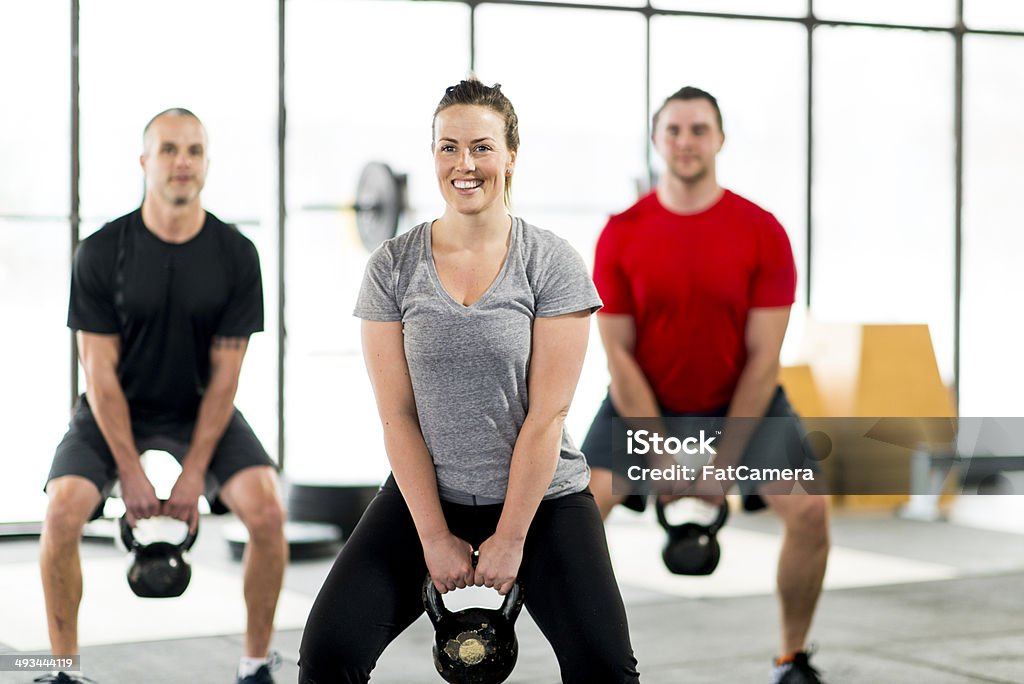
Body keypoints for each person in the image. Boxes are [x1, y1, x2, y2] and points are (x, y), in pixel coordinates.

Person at [297, 79, 640, 684]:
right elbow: (396, 416)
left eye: (481, 147)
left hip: (544, 501)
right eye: (447, 147)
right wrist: (433, 535)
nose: (465, 164)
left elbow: (548, 416)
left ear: (511, 155)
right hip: (427, 496)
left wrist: (511, 539)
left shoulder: (550, 262)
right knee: (328, 655)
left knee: (606, 668)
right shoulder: (394, 266)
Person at [582, 86, 831, 684]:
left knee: (811, 513)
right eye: (674, 130)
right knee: (577, 518)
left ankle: (791, 658)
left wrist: (726, 461)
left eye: (699, 130)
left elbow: (763, 360)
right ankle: (595, 663)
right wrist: (661, 451)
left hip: (742, 398)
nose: (686, 142)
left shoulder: (762, 230)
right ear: (656, 139)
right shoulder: (621, 232)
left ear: (719, 139)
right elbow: (618, 355)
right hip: (644, 400)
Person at [38, 108, 287, 684]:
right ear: (145, 161)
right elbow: (99, 377)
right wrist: (129, 471)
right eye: (170, 149)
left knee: (269, 512)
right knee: (62, 509)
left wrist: (195, 473)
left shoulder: (235, 253)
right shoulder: (101, 252)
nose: (182, 162)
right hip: (114, 407)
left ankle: (255, 665)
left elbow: (227, 377)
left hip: (202, 407)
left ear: (206, 163)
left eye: (194, 151)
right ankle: (62, 672)